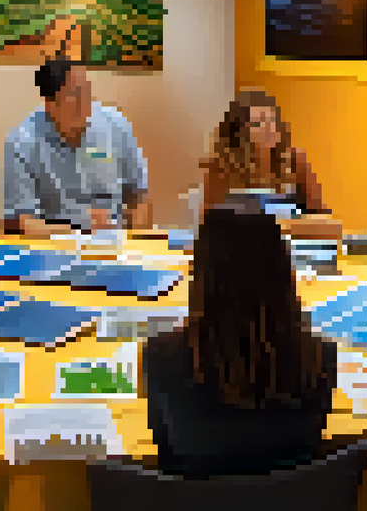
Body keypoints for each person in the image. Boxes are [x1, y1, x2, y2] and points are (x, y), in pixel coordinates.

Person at [142, 202, 344, 477]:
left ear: (201, 276)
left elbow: (164, 455)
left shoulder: (161, 357)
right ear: (284, 272)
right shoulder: (321, 358)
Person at [3, 58, 150, 236]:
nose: (86, 101)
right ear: (50, 103)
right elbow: (23, 222)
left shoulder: (116, 126)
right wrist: (79, 229)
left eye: (87, 91)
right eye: (75, 94)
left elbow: (138, 195)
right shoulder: (22, 143)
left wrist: (138, 244)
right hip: (54, 248)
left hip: (114, 243)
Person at [200, 89, 326, 218]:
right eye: (258, 123)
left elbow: (321, 217)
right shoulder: (220, 168)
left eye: (272, 120)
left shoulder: (294, 160)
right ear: (238, 133)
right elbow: (209, 224)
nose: (269, 127)